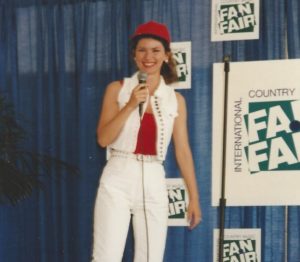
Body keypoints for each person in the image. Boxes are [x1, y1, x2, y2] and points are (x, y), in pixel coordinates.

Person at [92, 20, 202, 262]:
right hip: (118, 175)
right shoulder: (117, 89)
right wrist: (131, 105)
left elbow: (182, 150)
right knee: (106, 257)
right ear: (134, 55)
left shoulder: (176, 100)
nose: (148, 56)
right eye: (142, 50)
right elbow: (103, 139)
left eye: (155, 50)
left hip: (153, 176)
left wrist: (194, 198)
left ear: (166, 56)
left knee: (151, 258)